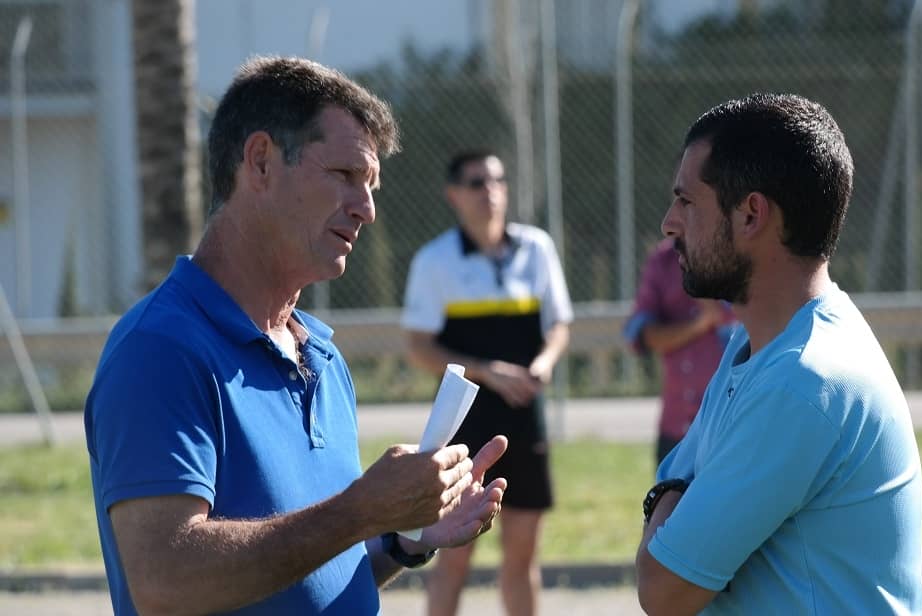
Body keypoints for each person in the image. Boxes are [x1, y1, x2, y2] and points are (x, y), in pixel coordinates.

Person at [84, 56, 508, 616]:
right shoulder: (159, 348)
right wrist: (360, 510)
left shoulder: (322, 356)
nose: (368, 209)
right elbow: (167, 580)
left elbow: (313, 566)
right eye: (345, 175)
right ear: (260, 162)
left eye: (372, 184)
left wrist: (403, 537)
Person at [634, 93, 922, 615]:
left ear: (751, 215)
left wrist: (668, 502)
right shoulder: (759, 346)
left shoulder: (802, 379)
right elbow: (677, 483)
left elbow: (663, 590)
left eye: (686, 201)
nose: (669, 223)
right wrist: (673, 498)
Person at [401, 149, 573, 616]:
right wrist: (486, 370)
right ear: (453, 195)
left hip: (526, 422)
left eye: (497, 181)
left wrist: (544, 362)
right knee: (453, 560)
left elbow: (559, 326)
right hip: (465, 430)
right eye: (476, 183)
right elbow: (419, 348)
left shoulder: (535, 247)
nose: (490, 192)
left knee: (522, 561)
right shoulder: (434, 260)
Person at [624, 237, 736, 466]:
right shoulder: (663, 259)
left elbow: (749, 321)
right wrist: (700, 324)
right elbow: (642, 335)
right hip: (675, 429)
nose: (670, 222)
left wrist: (714, 312)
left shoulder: (741, 248)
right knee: (668, 501)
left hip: (728, 428)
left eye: (687, 202)